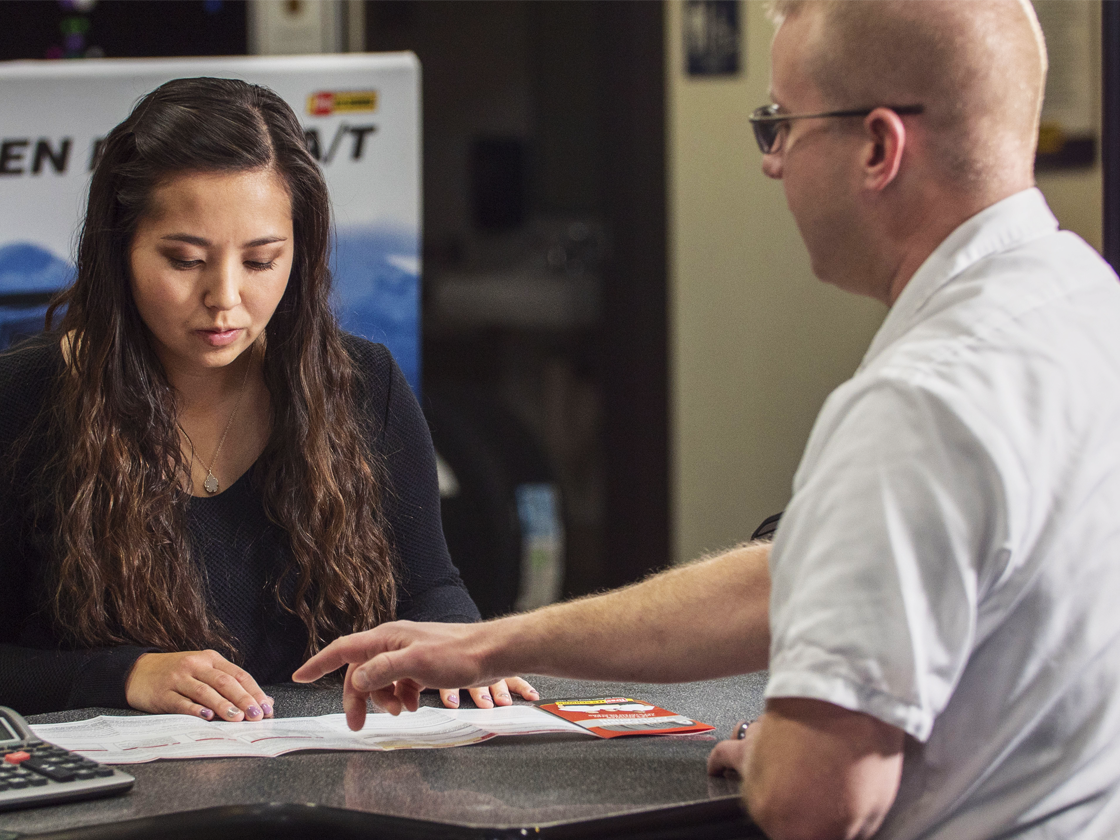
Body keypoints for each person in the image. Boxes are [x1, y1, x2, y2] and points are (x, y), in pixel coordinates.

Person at [295, 1, 1120, 838]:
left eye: (783, 126)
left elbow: (817, 802)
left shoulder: (918, 403)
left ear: (879, 146)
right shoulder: (1084, 304)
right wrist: (491, 646)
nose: (772, 163)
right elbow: (799, 578)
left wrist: (779, 750)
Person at [0, 77, 535, 722]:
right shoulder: (25, 399)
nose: (224, 297)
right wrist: (124, 675)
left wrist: (467, 653)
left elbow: (430, 589)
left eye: (259, 262)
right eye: (185, 260)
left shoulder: (362, 384)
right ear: (120, 249)